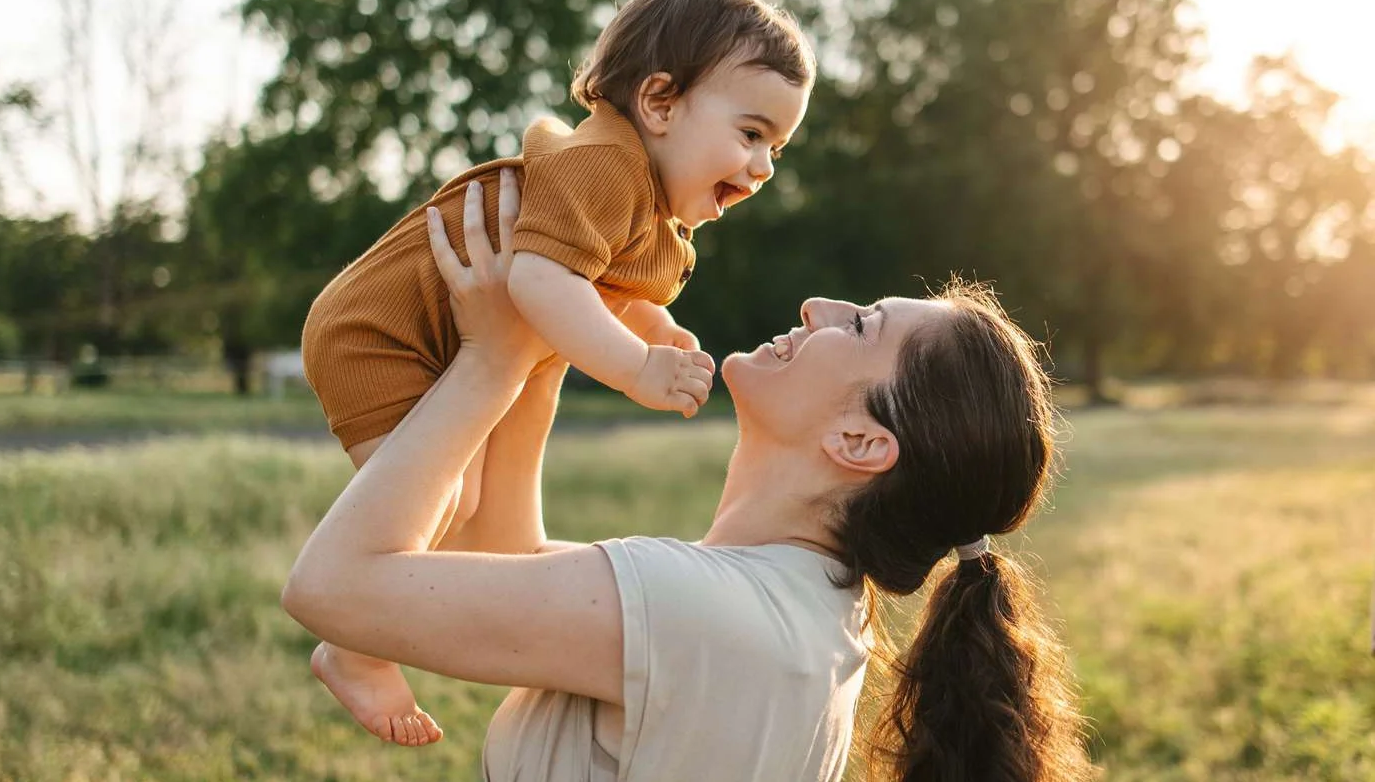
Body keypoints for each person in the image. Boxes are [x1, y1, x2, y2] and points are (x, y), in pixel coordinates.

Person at [282, 175, 1095, 779]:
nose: (817, 306)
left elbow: (331, 588)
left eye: (861, 324)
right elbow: (496, 550)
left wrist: (490, 361)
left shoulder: (704, 611)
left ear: (859, 439)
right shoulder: (791, 606)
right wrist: (549, 334)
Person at [297, 0, 815, 741]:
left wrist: (655, 323)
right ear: (661, 103)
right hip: (381, 331)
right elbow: (540, 279)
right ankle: (352, 647)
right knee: (438, 498)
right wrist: (637, 367)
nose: (764, 164)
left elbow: (595, 283)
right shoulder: (604, 166)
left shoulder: (646, 208)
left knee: (463, 502)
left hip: (434, 334)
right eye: (751, 132)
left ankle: (360, 637)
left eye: (776, 146)